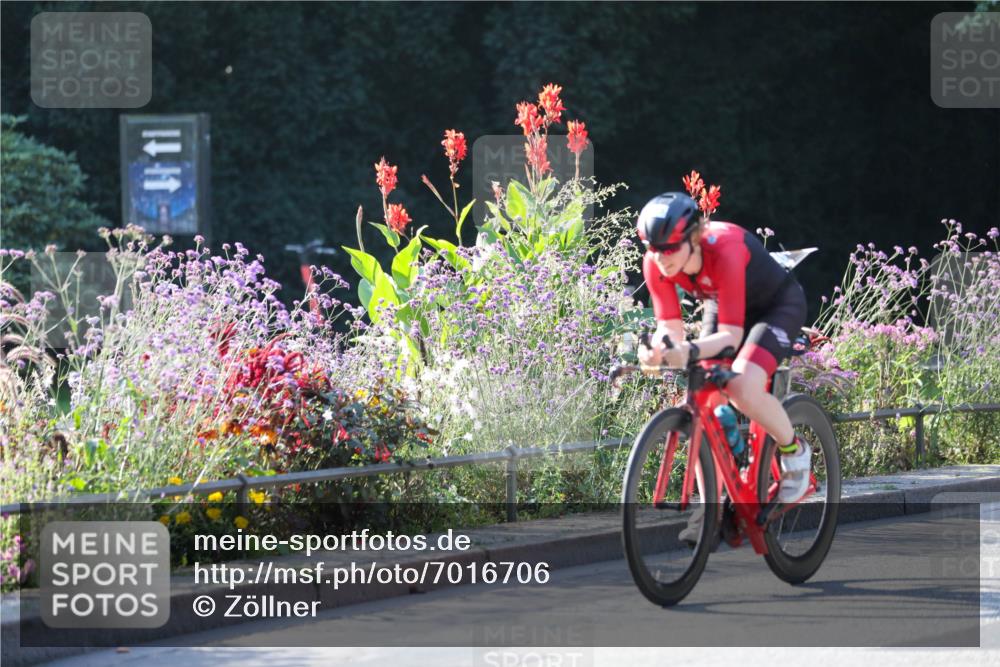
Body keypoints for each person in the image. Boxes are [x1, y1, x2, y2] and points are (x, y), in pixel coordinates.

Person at [636, 191, 811, 547]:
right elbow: (670, 326)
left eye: (669, 249)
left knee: (743, 385)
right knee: (704, 393)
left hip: (775, 307)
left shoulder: (724, 249)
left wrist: (686, 350)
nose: (660, 258)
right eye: (653, 248)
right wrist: (656, 349)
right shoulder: (655, 263)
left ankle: (796, 453)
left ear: (693, 238)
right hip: (725, 301)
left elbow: (730, 337)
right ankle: (711, 506)